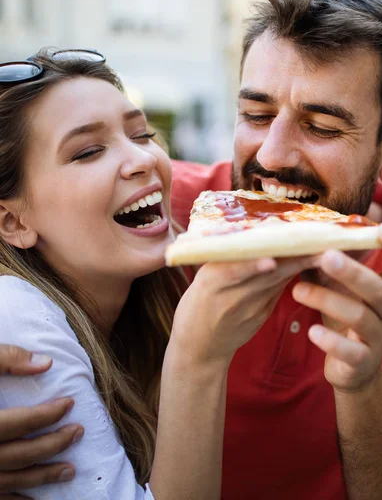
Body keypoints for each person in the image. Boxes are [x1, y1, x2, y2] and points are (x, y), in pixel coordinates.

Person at [1, 0, 382, 499]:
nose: (273, 155)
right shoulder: (162, 215)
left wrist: (363, 384)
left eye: (321, 126)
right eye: (256, 115)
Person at [0, 49, 320, 500]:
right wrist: (199, 354)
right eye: (88, 151)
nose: (141, 159)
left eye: (142, 133)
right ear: (12, 222)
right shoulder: (15, 316)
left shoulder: (150, 281)